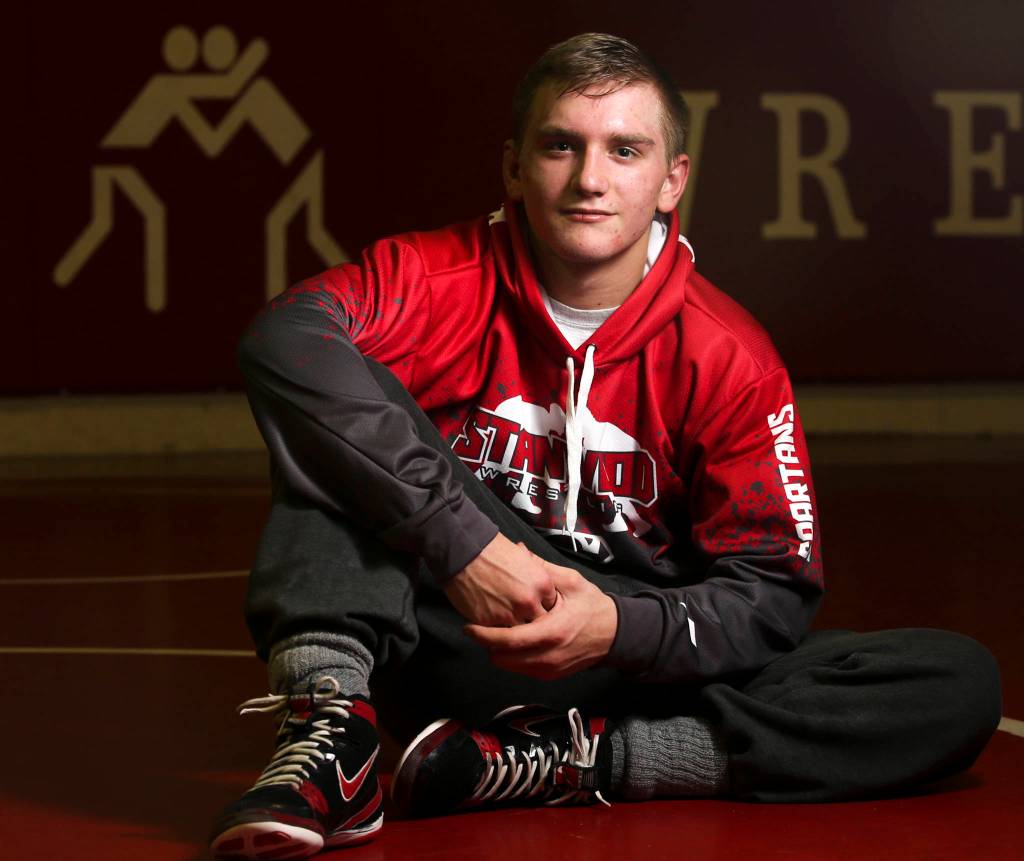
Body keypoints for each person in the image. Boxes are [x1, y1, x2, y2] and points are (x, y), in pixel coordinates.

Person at [208, 33, 1001, 861]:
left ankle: (572, 759)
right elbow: (285, 338)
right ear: (515, 168)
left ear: (672, 180)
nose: (590, 179)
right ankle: (334, 736)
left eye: (625, 150)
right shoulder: (435, 279)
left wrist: (620, 626)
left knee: (952, 683)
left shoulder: (730, 356)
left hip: (629, 670)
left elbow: (772, 594)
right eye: (561, 145)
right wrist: (467, 547)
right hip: (449, 630)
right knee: (338, 399)